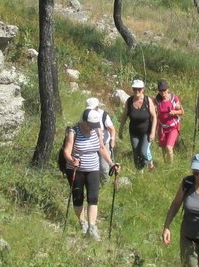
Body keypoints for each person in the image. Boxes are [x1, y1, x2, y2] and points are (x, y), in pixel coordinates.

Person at [62, 108, 120, 240]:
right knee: (78, 198)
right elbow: (66, 151)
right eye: (90, 125)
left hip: (93, 169)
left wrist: (111, 163)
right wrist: (72, 160)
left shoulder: (96, 130)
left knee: (93, 198)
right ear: (84, 121)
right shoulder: (73, 132)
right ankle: (82, 222)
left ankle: (92, 227)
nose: (91, 128)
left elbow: (101, 148)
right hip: (76, 169)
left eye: (94, 125)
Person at [119, 78, 157, 170]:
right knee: (136, 153)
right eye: (135, 89)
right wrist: (120, 130)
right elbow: (124, 116)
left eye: (139, 89)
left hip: (146, 131)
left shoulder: (147, 101)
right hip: (134, 132)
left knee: (143, 152)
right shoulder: (129, 101)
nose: (137, 91)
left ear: (143, 89)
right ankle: (140, 171)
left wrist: (152, 132)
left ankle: (150, 163)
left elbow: (154, 117)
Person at [86, 97, 117, 177]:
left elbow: (112, 129)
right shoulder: (86, 115)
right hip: (92, 144)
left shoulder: (104, 116)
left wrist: (112, 140)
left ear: (97, 107)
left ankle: (105, 183)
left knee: (104, 167)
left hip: (104, 143)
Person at [155, 79, 183, 164]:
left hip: (173, 127)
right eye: (161, 90)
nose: (163, 92)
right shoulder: (157, 100)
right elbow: (155, 115)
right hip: (162, 128)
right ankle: (165, 164)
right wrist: (155, 129)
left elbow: (182, 111)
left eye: (164, 90)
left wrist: (174, 112)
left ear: (168, 89)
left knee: (169, 147)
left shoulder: (173, 98)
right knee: (163, 149)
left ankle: (171, 166)